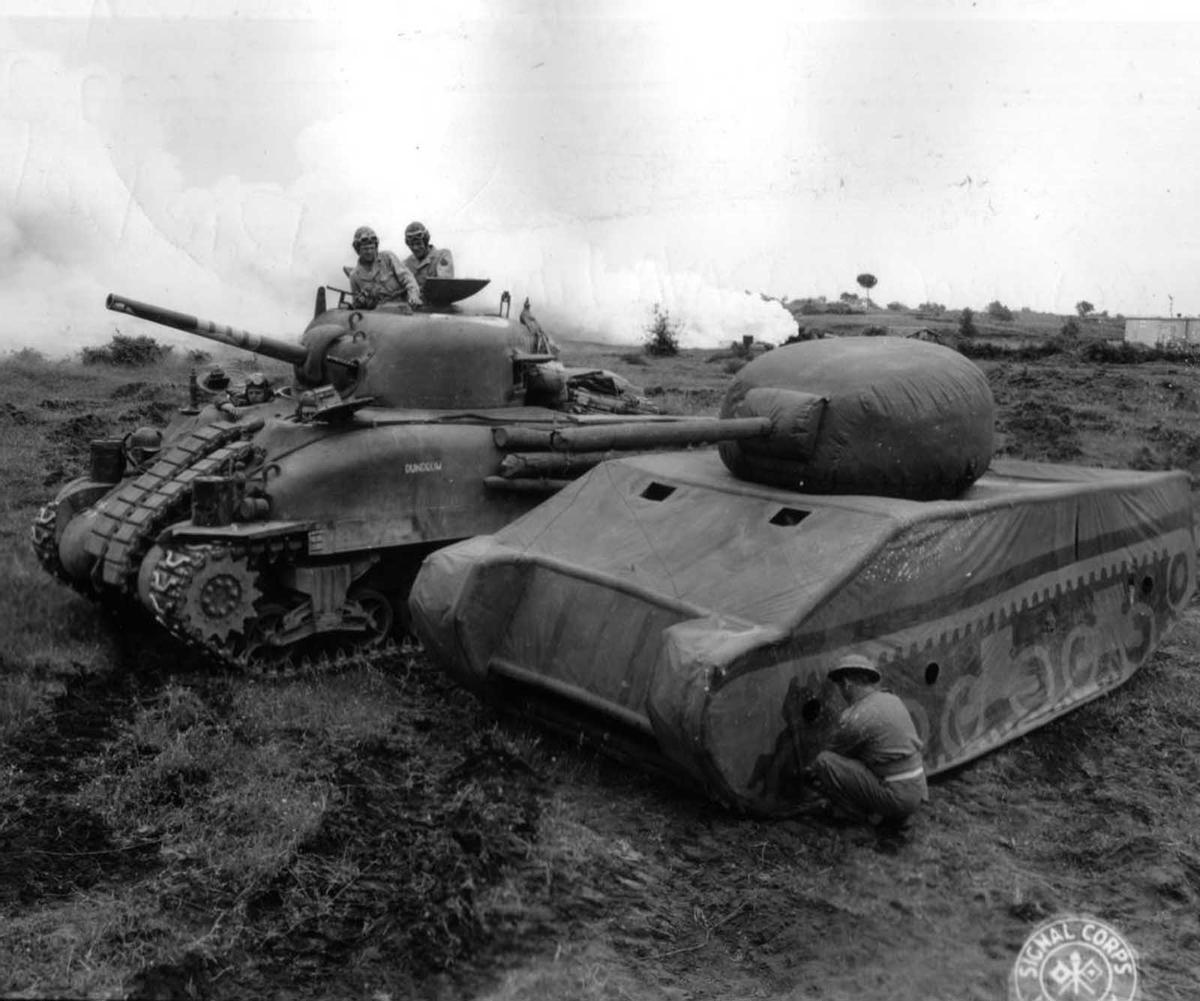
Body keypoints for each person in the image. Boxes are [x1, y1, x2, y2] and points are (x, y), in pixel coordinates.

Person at [808, 653, 928, 832]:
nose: (841, 692)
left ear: (847, 683)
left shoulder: (856, 716)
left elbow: (835, 754)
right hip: (918, 789)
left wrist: (808, 770)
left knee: (824, 761)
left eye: (840, 686)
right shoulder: (892, 699)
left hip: (898, 795)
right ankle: (895, 814)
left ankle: (865, 819)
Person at [344, 225, 423, 309]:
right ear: (358, 249)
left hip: (404, 308)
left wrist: (413, 296)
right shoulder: (354, 276)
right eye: (365, 249)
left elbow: (407, 278)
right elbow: (357, 307)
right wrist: (362, 302)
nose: (369, 252)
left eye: (372, 248)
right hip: (380, 316)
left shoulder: (388, 258)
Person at [401, 220, 454, 293]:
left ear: (426, 242)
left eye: (418, 243)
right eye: (412, 245)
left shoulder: (442, 256)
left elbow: (444, 283)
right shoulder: (406, 264)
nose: (415, 248)